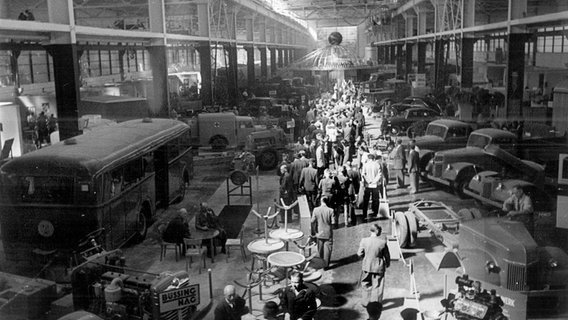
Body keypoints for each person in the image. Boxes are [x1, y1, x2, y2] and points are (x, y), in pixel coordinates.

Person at [357, 224, 391, 320]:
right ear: (377, 231)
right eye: (380, 231)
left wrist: (365, 259)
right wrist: (387, 263)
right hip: (378, 267)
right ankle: (376, 306)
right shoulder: (382, 242)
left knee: (365, 284)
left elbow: (359, 253)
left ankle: (365, 303)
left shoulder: (364, 240)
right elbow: (387, 256)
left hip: (366, 266)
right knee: (377, 286)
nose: (380, 233)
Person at [311, 196, 333, 267]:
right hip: (328, 232)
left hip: (319, 232)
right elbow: (333, 222)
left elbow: (312, 222)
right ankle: (326, 265)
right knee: (328, 250)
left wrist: (314, 232)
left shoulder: (316, 210)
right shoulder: (331, 210)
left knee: (320, 249)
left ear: (321, 201)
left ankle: (321, 263)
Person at [361, 154, 383, 221]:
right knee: (375, 199)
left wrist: (368, 181)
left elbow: (363, 174)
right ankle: (375, 212)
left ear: (368, 158)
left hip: (368, 184)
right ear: (373, 158)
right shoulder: (377, 164)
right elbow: (380, 174)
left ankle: (364, 213)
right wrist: (375, 181)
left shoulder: (365, 165)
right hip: (375, 184)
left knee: (366, 199)